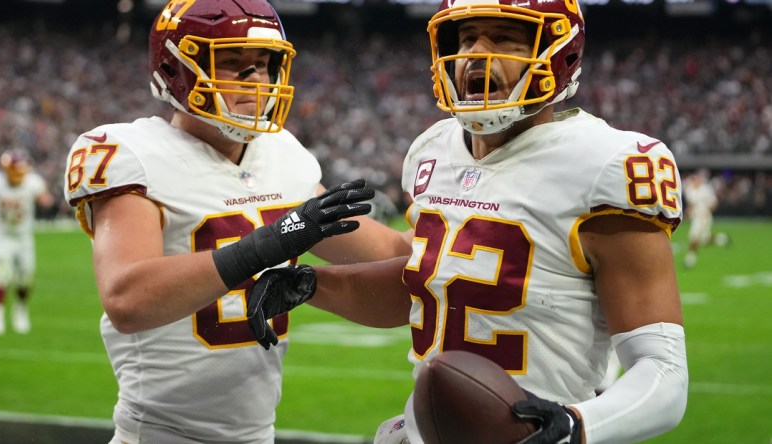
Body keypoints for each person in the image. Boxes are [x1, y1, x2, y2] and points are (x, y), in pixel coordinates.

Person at [247, 0, 689, 442]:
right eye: (466, 36)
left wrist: (574, 426)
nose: (476, 52)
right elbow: (431, 285)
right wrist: (314, 285)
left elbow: (663, 371)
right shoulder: (434, 150)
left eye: (503, 36)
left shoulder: (606, 164)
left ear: (560, 51)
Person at [62, 1, 410, 442]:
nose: (257, 80)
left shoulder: (282, 155)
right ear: (175, 70)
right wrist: (264, 247)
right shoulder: (133, 153)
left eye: (263, 65)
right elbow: (127, 298)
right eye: (233, 63)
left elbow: (394, 254)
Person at [0, 150, 55, 335]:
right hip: (1, 235)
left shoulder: (32, 182)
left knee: (25, 278)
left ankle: (20, 311)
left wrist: (46, 199)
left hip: (23, 236)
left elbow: (44, 198)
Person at [683, 169, 729, 269]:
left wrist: (706, 211)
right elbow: (691, 204)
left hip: (704, 217)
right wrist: (688, 212)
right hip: (695, 217)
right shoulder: (689, 189)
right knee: (705, 240)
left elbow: (714, 203)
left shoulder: (706, 189)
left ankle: (690, 260)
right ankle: (722, 239)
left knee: (693, 237)